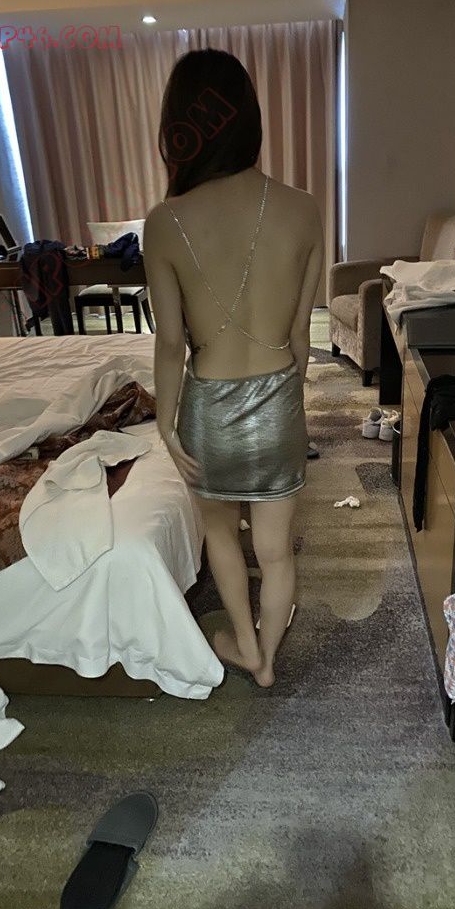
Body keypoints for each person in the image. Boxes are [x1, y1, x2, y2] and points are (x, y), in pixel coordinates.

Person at [143, 49, 323, 687]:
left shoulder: (164, 223)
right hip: (278, 404)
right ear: (248, 119)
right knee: (275, 551)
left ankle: (246, 647)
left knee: (221, 536)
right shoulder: (304, 209)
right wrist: (285, 408)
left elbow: (171, 345)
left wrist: (166, 424)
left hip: (209, 412)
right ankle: (268, 658)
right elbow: (300, 337)